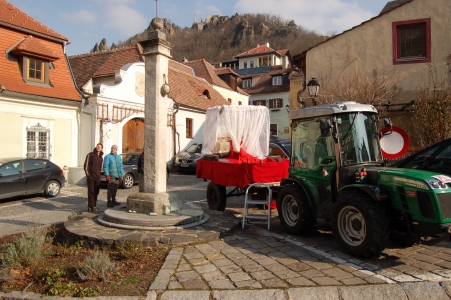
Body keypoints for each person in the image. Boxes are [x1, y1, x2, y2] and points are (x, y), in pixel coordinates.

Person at [83, 143, 104, 212]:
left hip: (97, 177)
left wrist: (100, 175)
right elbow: (86, 165)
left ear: (101, 149)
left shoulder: (101, 157)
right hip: (91, 177)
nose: (98, 148)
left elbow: (100, 167)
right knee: (91, 191)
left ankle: (94, 206)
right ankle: (90, 207)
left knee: (96, 192)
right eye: (97, 146)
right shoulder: (91, 155)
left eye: (100, 147)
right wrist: (88, 175)